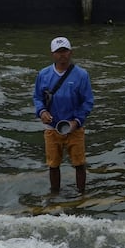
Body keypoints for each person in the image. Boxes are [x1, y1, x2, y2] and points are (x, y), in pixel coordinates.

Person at [33, 36, 94, 193]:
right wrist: (42, 112)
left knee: (79, 163)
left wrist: (77, 121)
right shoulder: (43, 74)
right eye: (58, 52)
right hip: (52, 127)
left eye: (65, 51)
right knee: (53, 164)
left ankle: (81, 193)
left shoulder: (81, 75)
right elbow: (37, 97)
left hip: (74, 127)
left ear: (70, 52)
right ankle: (55, 193)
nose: (62, 55)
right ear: (52, 54)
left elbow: (87, 101)